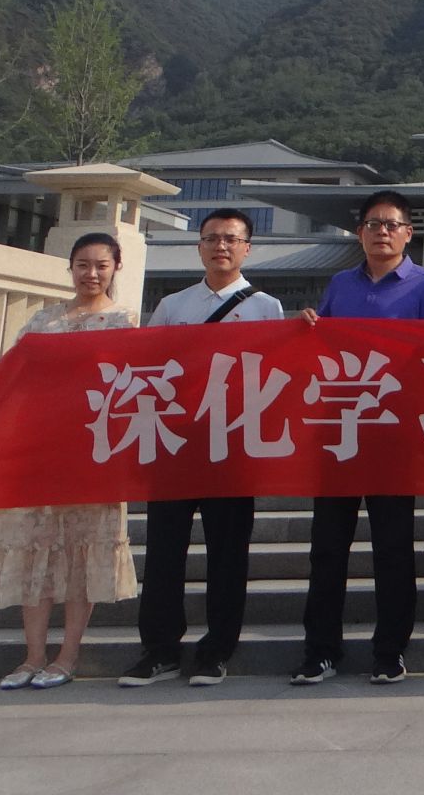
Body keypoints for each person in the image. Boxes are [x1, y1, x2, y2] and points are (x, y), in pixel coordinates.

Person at [0, 232, 137, 690]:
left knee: (80, 550)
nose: (91, 273)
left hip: (91, 453)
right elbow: (8, 382)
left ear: (116, 267)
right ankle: (32, 655)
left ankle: (67, 655)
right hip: (34, 451)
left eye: (101, 265)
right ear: (69, 267)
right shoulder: (42, 320)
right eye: (82, 264)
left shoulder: (126, 322)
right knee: (33, 546)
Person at [120, 210, 284, 688]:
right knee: (164, 551)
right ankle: (160, 650)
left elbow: (275, 375)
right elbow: (148, 368)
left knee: (228, 554)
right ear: (199, 247)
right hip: (176, 444)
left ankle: (217, 650)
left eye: (231, 239)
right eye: (212, 238)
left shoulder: (267, 308)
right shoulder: (173, 305)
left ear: (247, 248)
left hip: (232, 446)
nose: (221, 247)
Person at [292, 190, 424, 686]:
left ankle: (390, 650)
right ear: (360, 233)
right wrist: (308, 326)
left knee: (393, 548)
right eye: (373, 224)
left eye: (391, 224)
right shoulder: (341, 283)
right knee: (327, 548)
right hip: (339, 432)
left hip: (393, 435)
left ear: (409, 233)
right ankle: (320, 650)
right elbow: (321, 349)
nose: (382, 232)